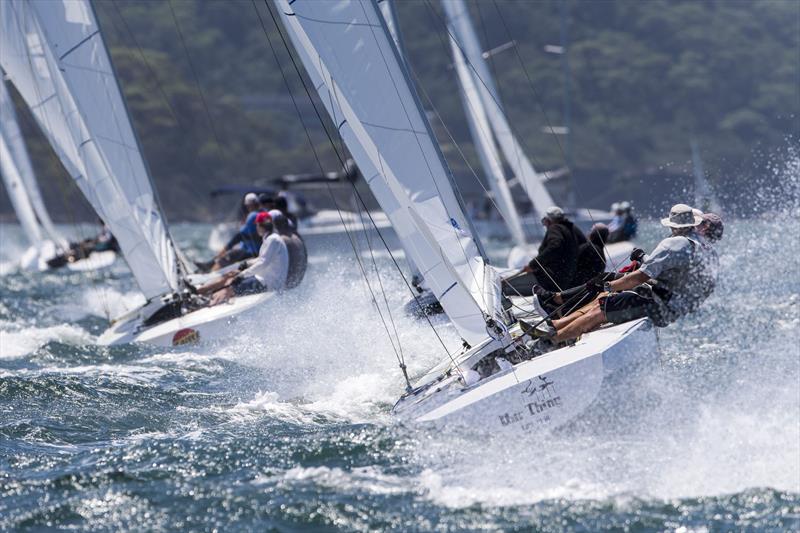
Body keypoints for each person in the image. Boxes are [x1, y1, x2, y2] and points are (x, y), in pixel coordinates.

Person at [525, 204, 718, 346]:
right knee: (605, 299)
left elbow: (639, 277)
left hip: (660, 305)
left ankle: (551, 340)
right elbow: (679, 277)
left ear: (672, 225)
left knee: (602, 308)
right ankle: (556, 324)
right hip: (672, 307)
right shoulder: (705, 250)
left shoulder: (675, 243)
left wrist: (608, 286)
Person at [197, 211, 289, 306]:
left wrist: (243, 275)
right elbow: (261, 259)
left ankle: (208, 304)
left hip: (268, 284)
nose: (256, 228)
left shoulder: (273, 240)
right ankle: (199, 292)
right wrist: (246, 264)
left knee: (229, 288)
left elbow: (263, 262)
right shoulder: (270, 238)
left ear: (261, 226)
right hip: (263, 278)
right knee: (230, 276)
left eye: (257, 225)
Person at [502, 206, 587, 296]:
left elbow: (554, 247)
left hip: (551, 279)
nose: (544, 225)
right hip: (568, 277)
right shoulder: (572, 229)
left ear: (548, 220)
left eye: (544, 221)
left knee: (505, 287)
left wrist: (533, 265)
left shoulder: (555, 228)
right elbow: (584, 245)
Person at [197, 193, 262, 272]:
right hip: (255, 251)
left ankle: (209, 274)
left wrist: (227, 247)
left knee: (226, 256)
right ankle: (209, 264)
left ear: (248, 205)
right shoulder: (262, 214)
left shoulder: (252, 215)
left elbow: (240, 235)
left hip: (250, 252)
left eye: (247, 206)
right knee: (232, 252)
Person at [270, 209, 307, 288]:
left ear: (275, 226)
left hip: (288, 283)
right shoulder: (297, 238)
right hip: (299, 279)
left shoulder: (281, 240)